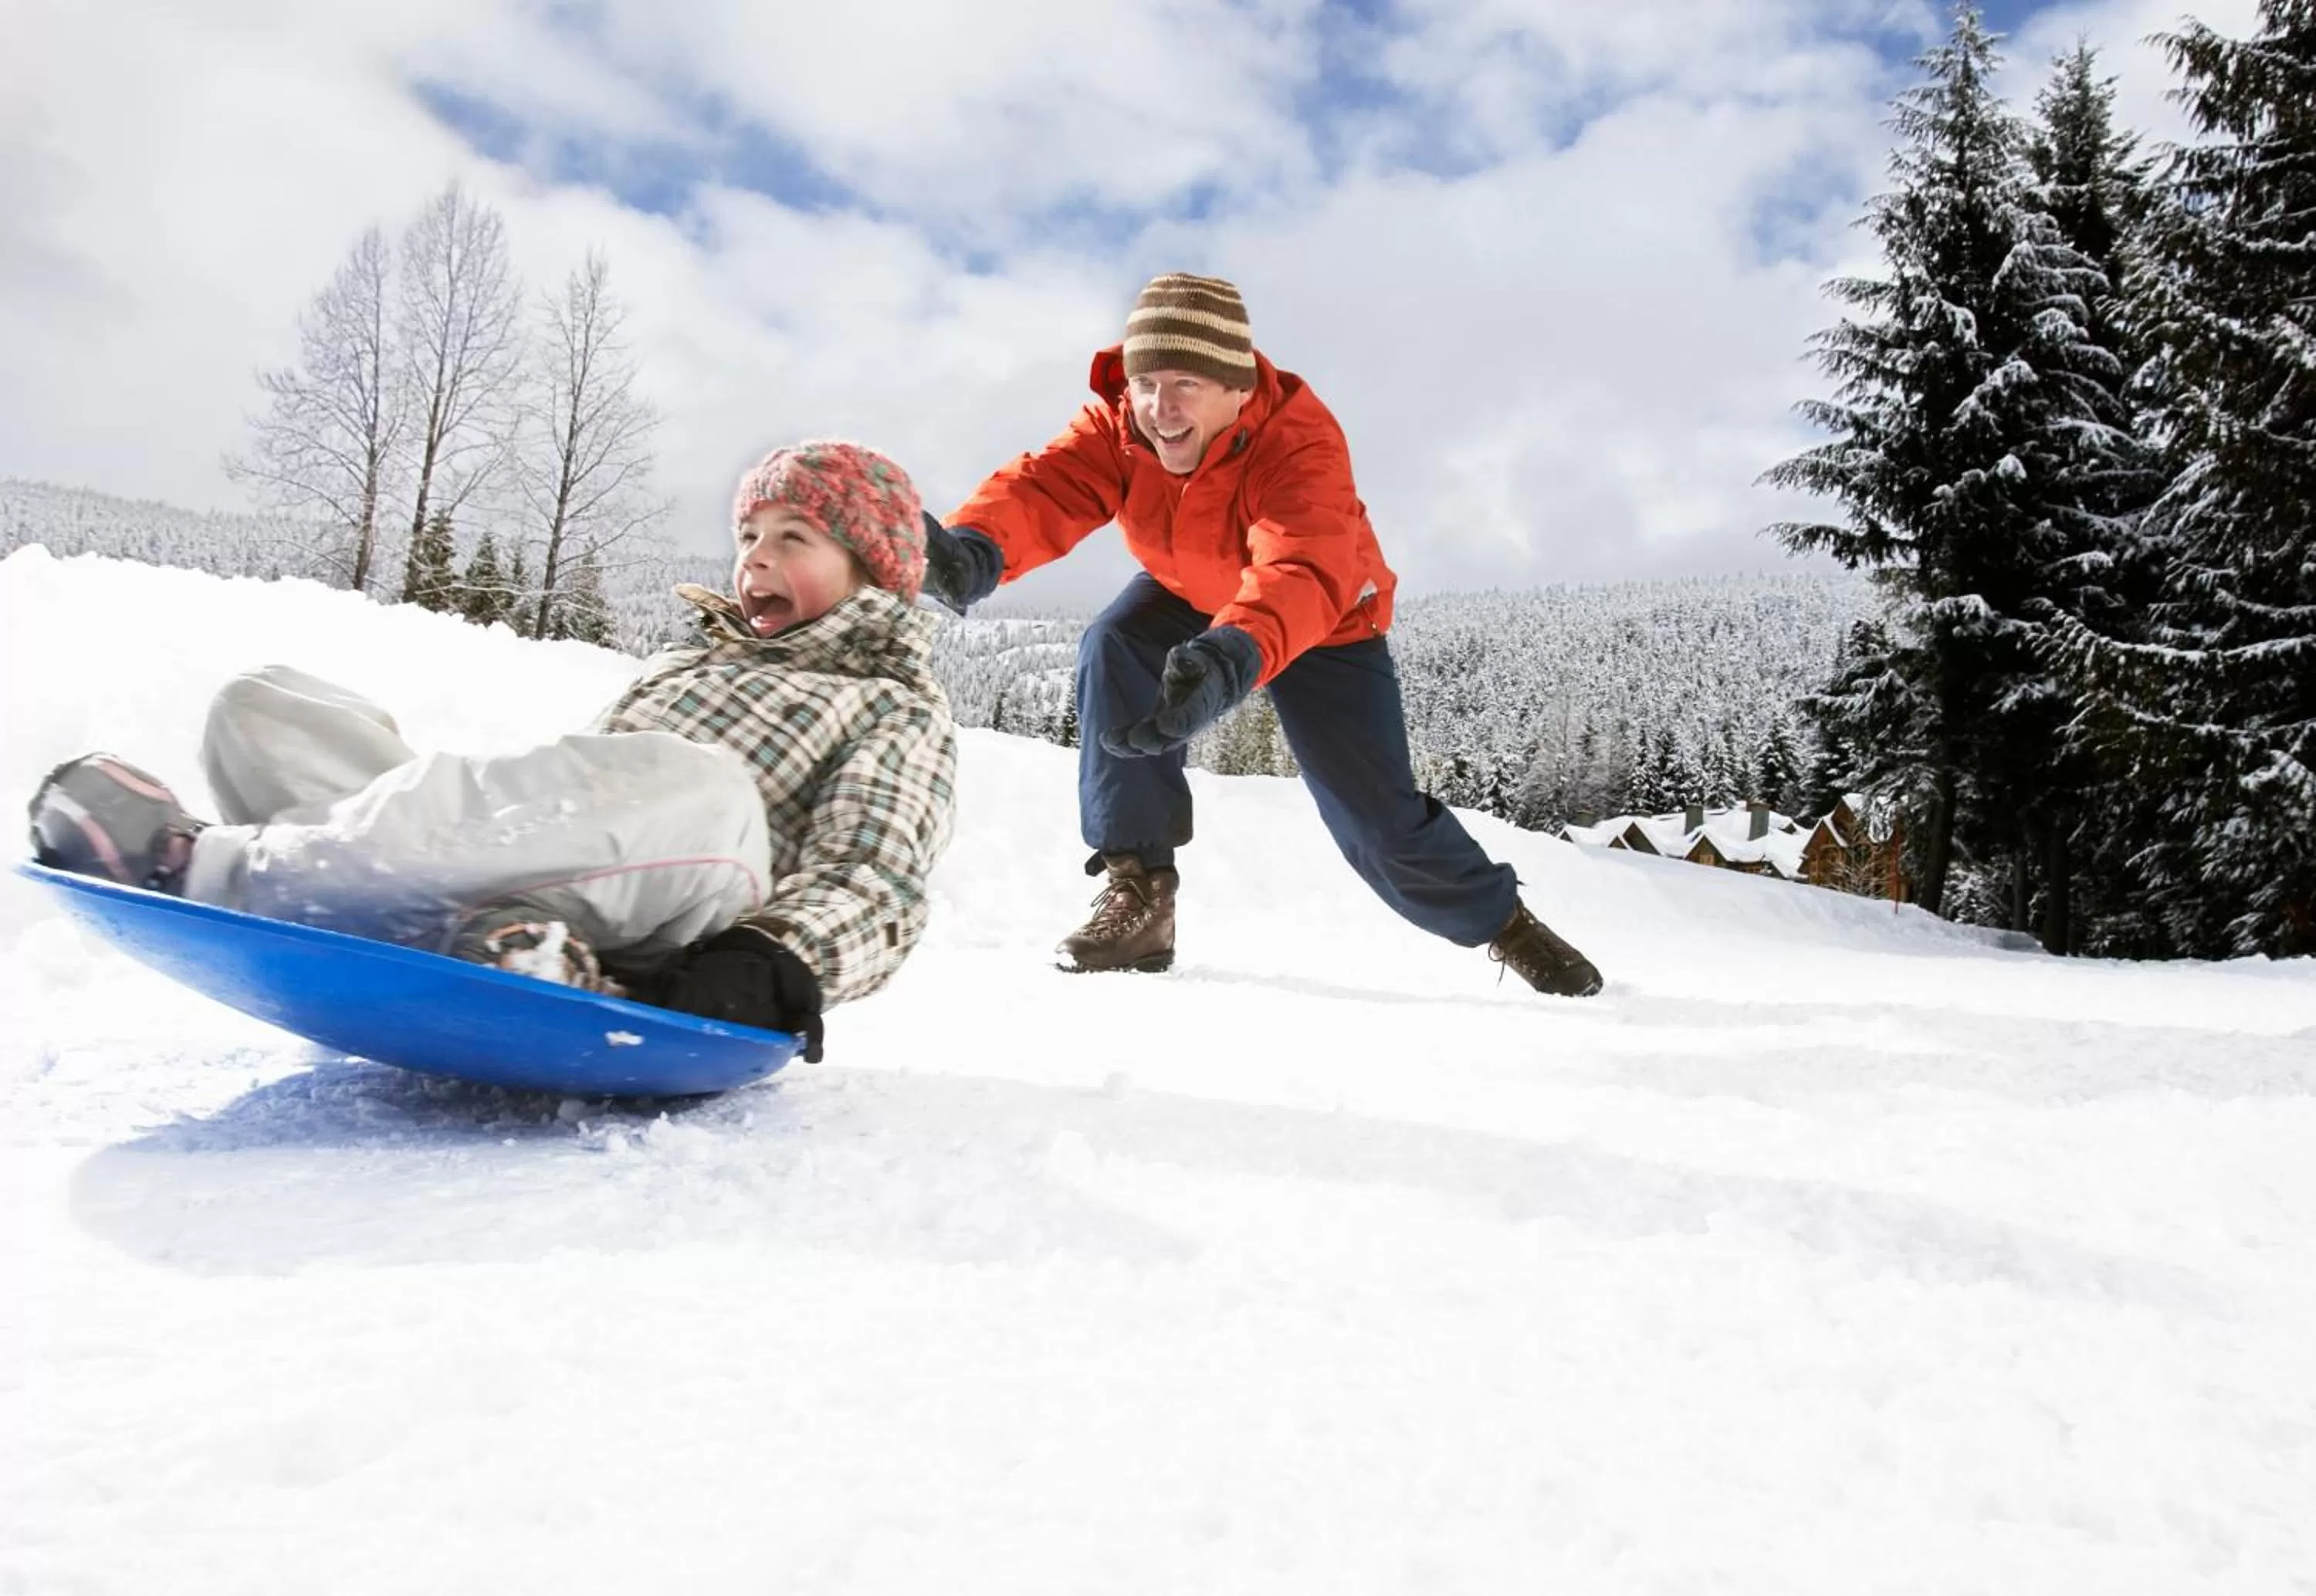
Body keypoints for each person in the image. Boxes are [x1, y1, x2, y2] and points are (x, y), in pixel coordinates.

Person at [26, 440, 958, 1060]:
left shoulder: (892, 704)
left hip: (695, 919)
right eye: (749, 534)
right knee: (261, 709)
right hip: (559, 883)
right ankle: (505, 947)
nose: (754, 557)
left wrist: (769, 964)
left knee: (699, 780)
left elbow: (876, 877)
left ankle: (216, 868)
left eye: (793, 538)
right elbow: (554, 800)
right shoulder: (685, 664)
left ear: (874, 571)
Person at [920, 272, 1602, 996]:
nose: (1161, 407)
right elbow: (1045, 488)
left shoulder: (1299, 443)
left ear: (1238, 388)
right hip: (1189, 590)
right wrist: (975, 551)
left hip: (1323, 617)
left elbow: (1303, 566)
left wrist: (1232, 655)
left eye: (1187, 383)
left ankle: (1506, 924)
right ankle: (1142, 897)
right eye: (1147, 381)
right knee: (1115, 646)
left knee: (1377, 822)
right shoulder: (1119, 427)